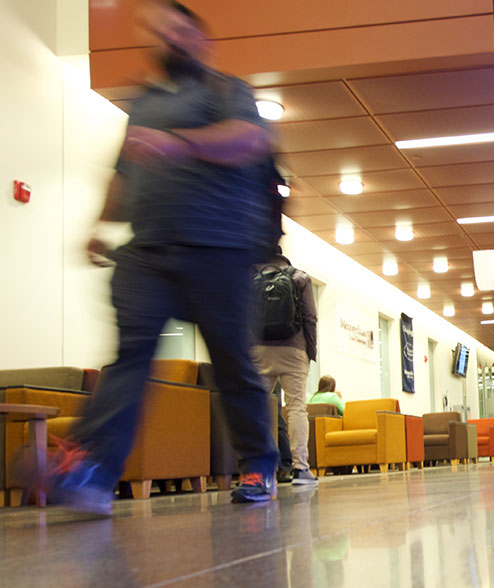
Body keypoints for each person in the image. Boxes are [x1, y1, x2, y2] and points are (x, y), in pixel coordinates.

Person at [46, 1, 279, 515]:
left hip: (220, 250)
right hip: (149, 252)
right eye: (155, 31)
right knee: (130, 356)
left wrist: (178, 145)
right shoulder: (142, 102)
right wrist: (98, 226)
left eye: (176, 29)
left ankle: (259, 464)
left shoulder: (227, 90)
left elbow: (248, 139)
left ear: (200, 38)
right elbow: (125, 173)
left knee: (232, 363)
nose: (166, 38)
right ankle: (92, 471)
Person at [253, 247, 318, 485]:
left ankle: (257, 470)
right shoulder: (299, 277)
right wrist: (310, 351)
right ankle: (300, 469)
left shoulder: (251, 278)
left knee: (257, 407)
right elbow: (310, 318)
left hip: (259, 349)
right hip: (294, 349)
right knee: (296, 408)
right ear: (283, 257)